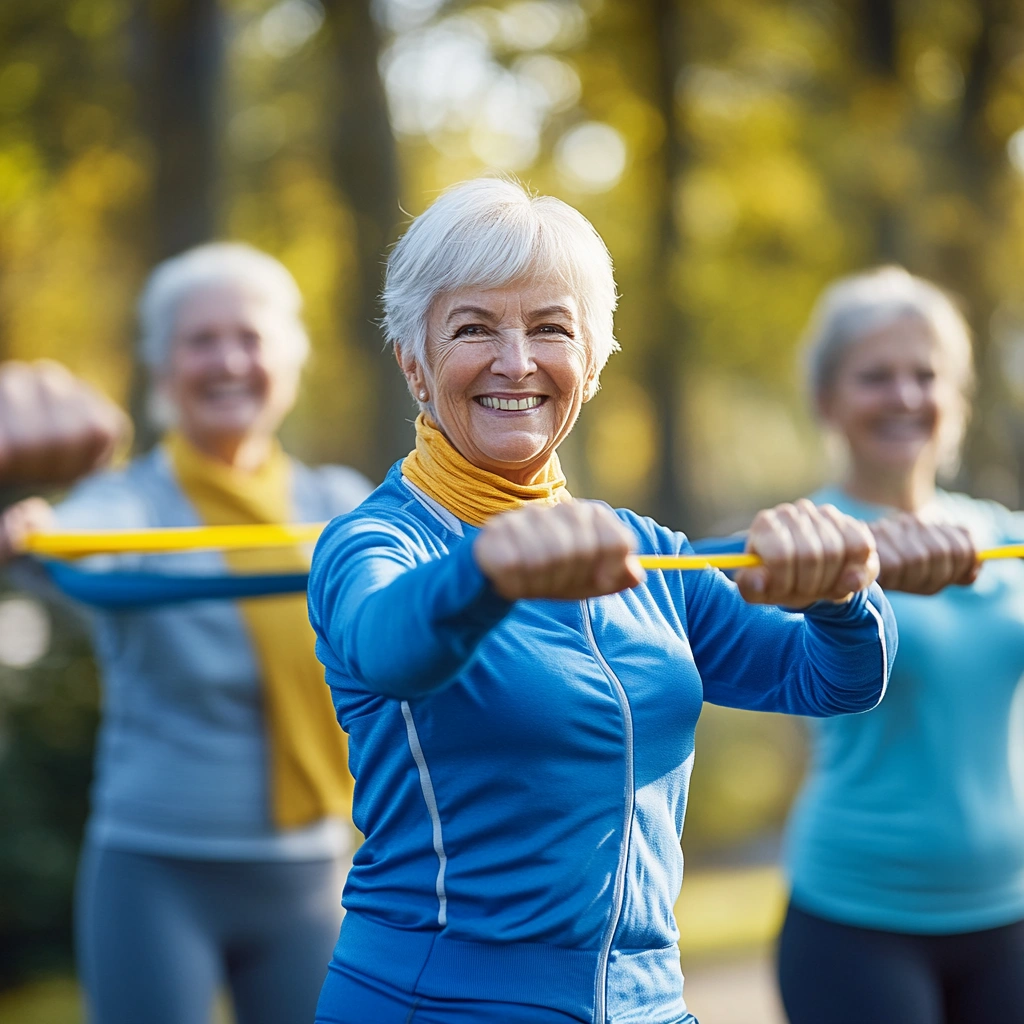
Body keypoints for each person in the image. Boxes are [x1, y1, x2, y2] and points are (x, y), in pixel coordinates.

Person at [306, 178, 898, 1024]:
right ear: (413, 362)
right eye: (474, 328)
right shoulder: (375, 543)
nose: (517, 362)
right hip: (437, 1004)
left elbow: (836, 682)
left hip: (652, 1007)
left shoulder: (648, 551)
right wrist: (489, 571)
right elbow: (387, 647)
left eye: (550, 328)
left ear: (590, 363)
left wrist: (844, 595)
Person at [0, 243, 373, 1024]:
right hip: (155, 869)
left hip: (314, 870)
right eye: (200, 340)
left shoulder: (337, 502)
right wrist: (40, 530)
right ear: (163, 368)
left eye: (249, 337)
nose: (228, 359)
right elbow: (78, 540)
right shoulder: (130, 503)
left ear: (288, 360)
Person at [777, 266, 1024, 1024]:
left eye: (926, 375)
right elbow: (782, 665)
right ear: (827, 399)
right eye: (875, 376)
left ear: (956, 397)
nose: (906, 396)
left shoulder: (1006, 535)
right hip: (856, 922)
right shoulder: (799, 548)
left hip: (1009, 911)